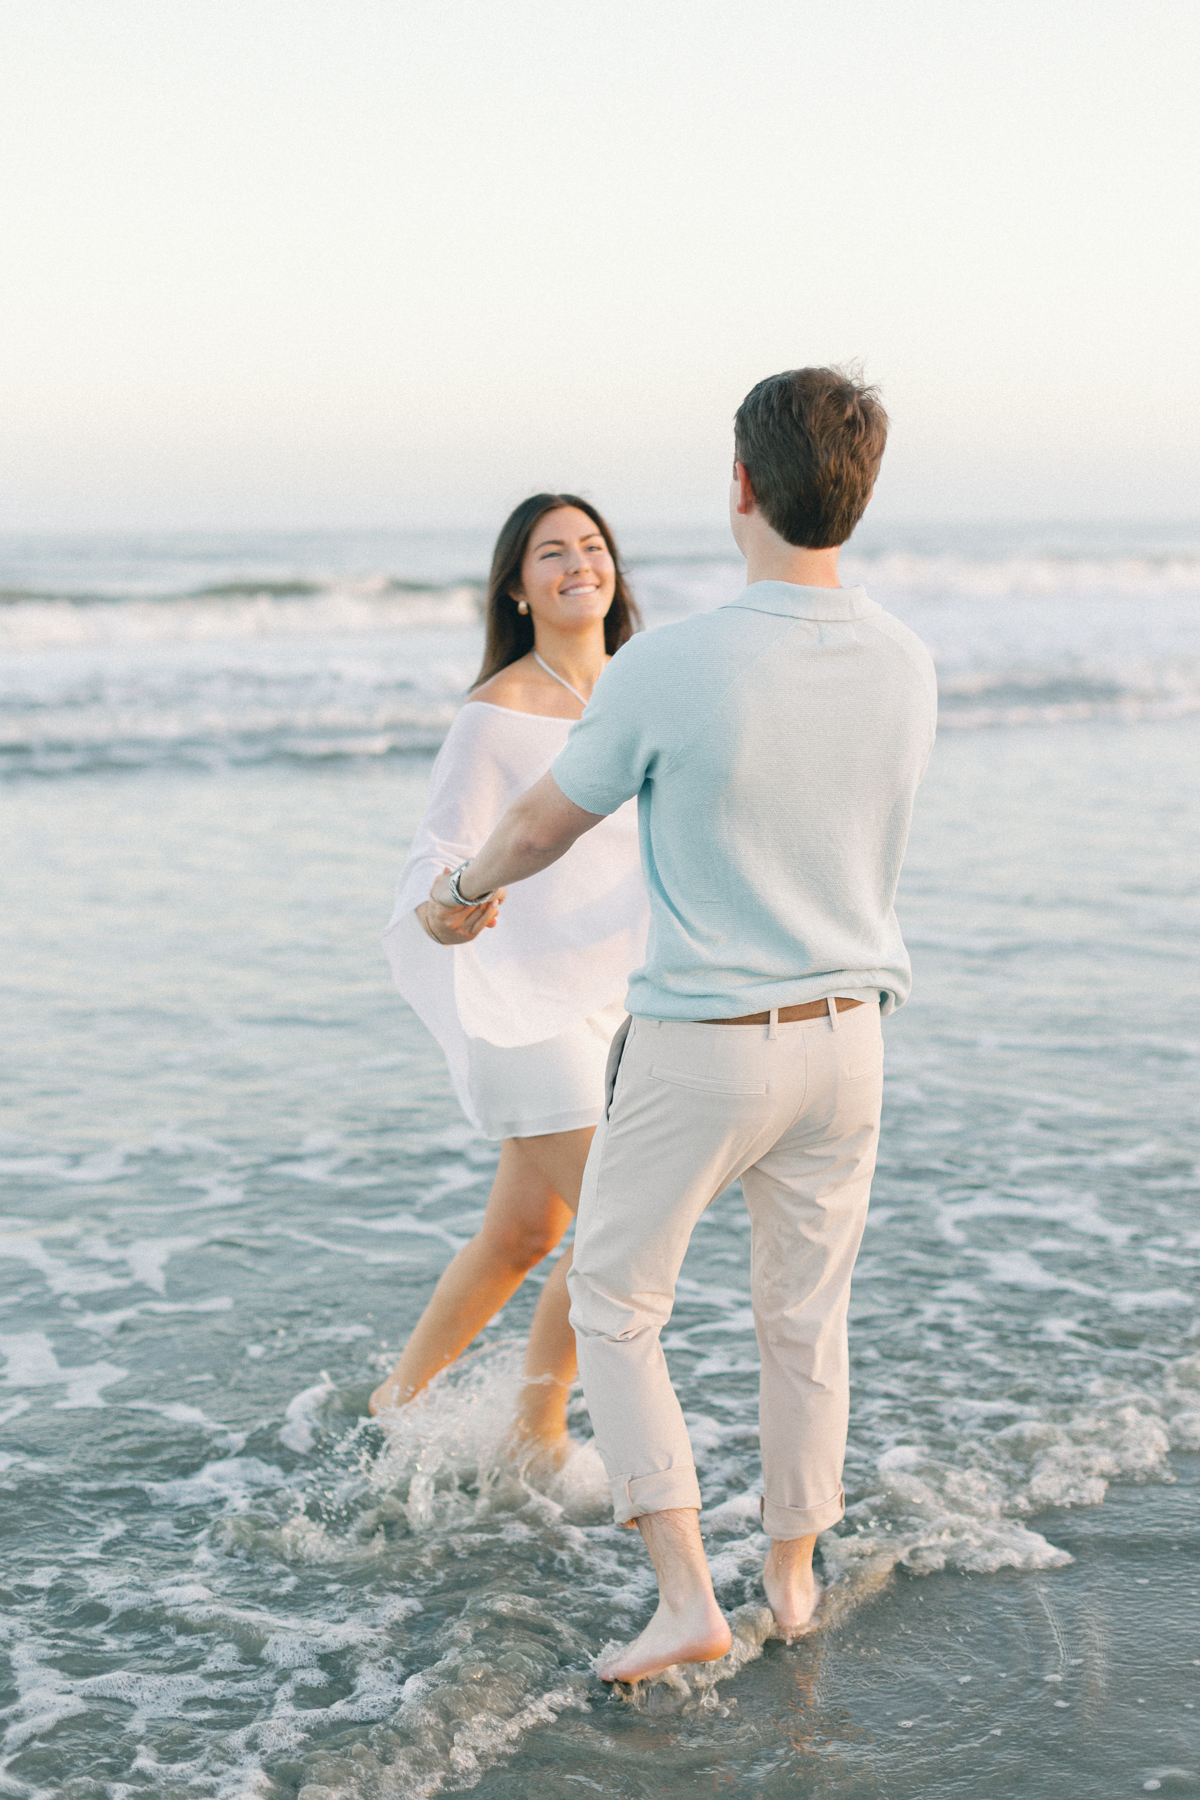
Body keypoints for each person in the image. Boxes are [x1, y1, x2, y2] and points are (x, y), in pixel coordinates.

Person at [424, 368, 938, 1680]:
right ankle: (793, 1578)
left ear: (743, 486)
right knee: (804, 1317)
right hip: (852, 1038)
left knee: (613, 1302)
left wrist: (458, 895)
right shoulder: (904, 658)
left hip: (707, 1040)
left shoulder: (672, 661)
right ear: (858, 492)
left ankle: (686, 1599)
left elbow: (542, 822)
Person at [371, 494, 648, 1460]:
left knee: (524, 1234)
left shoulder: (642, 690)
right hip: (517, 1002)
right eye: (552, 553)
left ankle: (396, 1404)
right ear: (518, 588)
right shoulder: (496, 714)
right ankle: (542, 1424)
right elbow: (439, 851)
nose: (579, 565)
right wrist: (446, 904)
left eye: (592, 546)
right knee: (621, 1226)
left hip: (616, 1001)